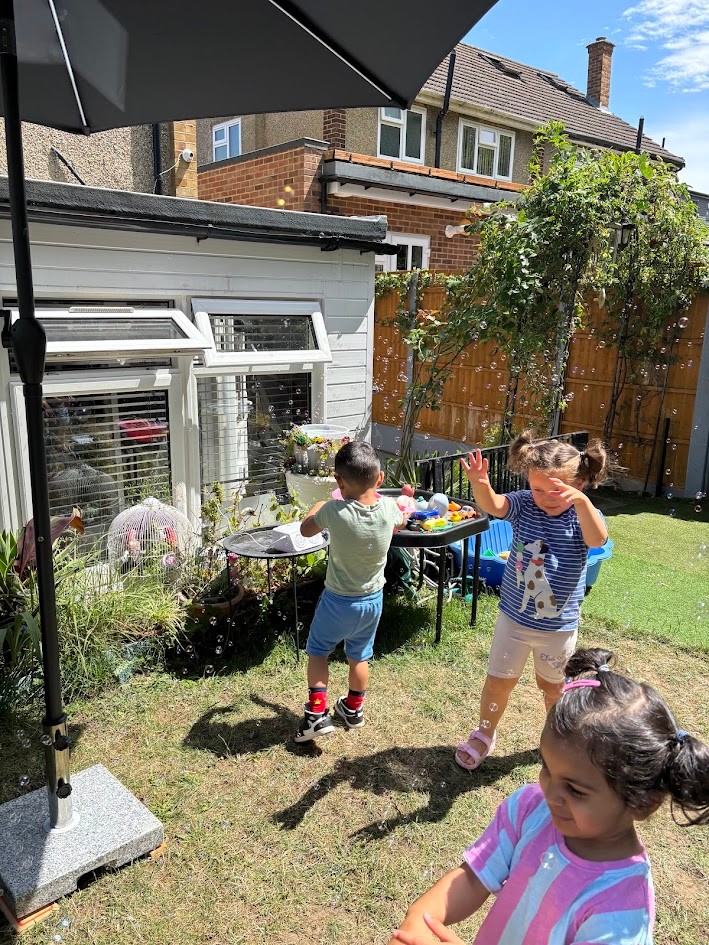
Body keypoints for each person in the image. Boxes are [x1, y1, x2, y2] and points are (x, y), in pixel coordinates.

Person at [391, 648, 709, 945]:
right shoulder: (530, 809)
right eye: (546, 766)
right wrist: (420, 919)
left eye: (575, 789)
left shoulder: (621, 908)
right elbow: (472, 880)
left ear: (643, 801)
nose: (550, 793)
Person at [455, 431, 609, 770]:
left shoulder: (582, 514)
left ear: (579, 484)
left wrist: (582, 504)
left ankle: (560, 741)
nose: (544, 497)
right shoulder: (526, 504)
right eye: (538, 488)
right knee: (499, 681)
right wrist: (481, 484)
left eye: (556, 491)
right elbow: (494, 505)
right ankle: (484, 733)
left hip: (558, 627)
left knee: (552, 688)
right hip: (514, 619)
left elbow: (598, 539)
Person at [294, 440, 406, 742]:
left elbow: (306, 529)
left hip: (337, 602)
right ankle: (353, 709)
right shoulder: (389, 507)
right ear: (380, 479)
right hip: (372, 602)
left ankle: (317, 715)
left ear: (338, 481)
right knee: (359, 657)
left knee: (318, 652)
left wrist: (318, 506)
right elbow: (402, 519)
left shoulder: (333, 510)